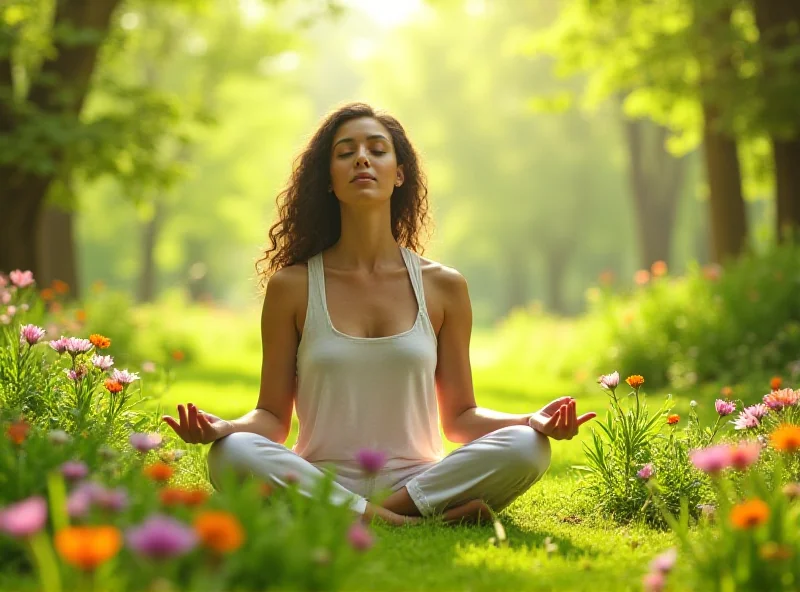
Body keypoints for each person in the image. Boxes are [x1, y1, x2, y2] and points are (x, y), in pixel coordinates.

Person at [162, 102, 596, 526]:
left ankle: (373, 513)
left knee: (528, 447)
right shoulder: (291, 287)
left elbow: (461, 418)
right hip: (321, 476)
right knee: (231, 453)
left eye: (376, 149)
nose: (362, 159)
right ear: (329, 180)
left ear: (399, 172)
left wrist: (532, 421)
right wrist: (226, 427)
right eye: (345, 152)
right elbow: (273, 420)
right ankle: (401, 520)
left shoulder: (443, 286)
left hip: (418, 478)